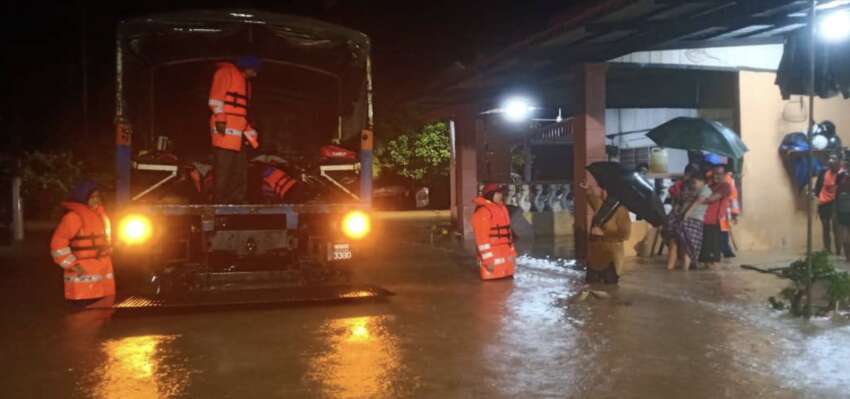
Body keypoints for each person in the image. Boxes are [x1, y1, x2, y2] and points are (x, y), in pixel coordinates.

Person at [49, 181, 115, 302]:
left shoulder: (101, 215)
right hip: (82, 281)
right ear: (83, 198)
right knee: (81, 318)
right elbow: (57, 244)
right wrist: (72, 265)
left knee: (101, 316)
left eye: (97, 196)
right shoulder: (73, 217)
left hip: (103, 279)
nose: (96, 200)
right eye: (92, 197)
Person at [209, 55, 262, 203]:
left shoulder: (246, 84)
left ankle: (237, 204)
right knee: (223, 171)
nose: (256, 74)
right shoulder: (225, 73)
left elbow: (241, 111)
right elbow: (215, 99)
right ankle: (218, 205)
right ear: (247, 67)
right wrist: (220, 118)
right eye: (255, 70)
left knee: (240, 172)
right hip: (224, 132)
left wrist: (249, 132)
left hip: (238, 135)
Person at [584, 182, 631, 284]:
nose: (602, 192)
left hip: (611, 258)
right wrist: (588, 190)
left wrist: (604, 233)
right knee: (591, 286)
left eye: (605, 191)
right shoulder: (602, 205)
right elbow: (591, 200)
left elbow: (625, 234)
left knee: (610, 289)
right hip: (595, 255)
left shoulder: (621, 210)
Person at [472, 184, 517, 280]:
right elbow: (482, 240)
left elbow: (508, 235)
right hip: (491, 269)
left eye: (501, 193)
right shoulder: (483, 212)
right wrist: (488, 261)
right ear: (490, 194)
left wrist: (513, 254)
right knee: (492, 293)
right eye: (498, 193)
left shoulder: (503, 209)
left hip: (507, 269)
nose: (501, 195)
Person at [664, 163, 700, 270]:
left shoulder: (678, 185)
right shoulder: (693, 187)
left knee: (674, 244)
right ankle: (683, 272)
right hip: (684, 220)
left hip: (676, 218)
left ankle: (670, 269)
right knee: (684, 247)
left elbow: (673, 200)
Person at [674, 174, 712, 270]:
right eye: (691, 183)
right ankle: (685, 268)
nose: (693, 185)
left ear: (703, 182)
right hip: (685, 219)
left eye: (695, 183)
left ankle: (685, 269)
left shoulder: (706, 190)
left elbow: (698, 202)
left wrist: (687, 214)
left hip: (694, 220)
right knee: (684, 243)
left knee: (688, 245)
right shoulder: (692, 190)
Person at [701, 165, 732, 268]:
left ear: (724, 175)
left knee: (712, 257)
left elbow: (712, 199)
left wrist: (698, 200)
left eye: (718, 174)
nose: (715, 176)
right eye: (714, 174)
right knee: (705, 255)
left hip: (713, 221)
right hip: (703, 220)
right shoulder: (709, 185)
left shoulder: (725, 186)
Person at [815, 154, 844, 254]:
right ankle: (827, 250)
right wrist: (820, 197)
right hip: (824, 203)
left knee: (836, 227)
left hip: (837, 203)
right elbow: (817, 188)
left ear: (839, 162)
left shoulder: (843, 174)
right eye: (830, 159)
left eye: (834, 159)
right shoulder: (823, 172)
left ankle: (838, 251)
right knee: (825, 226)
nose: (831, 161)